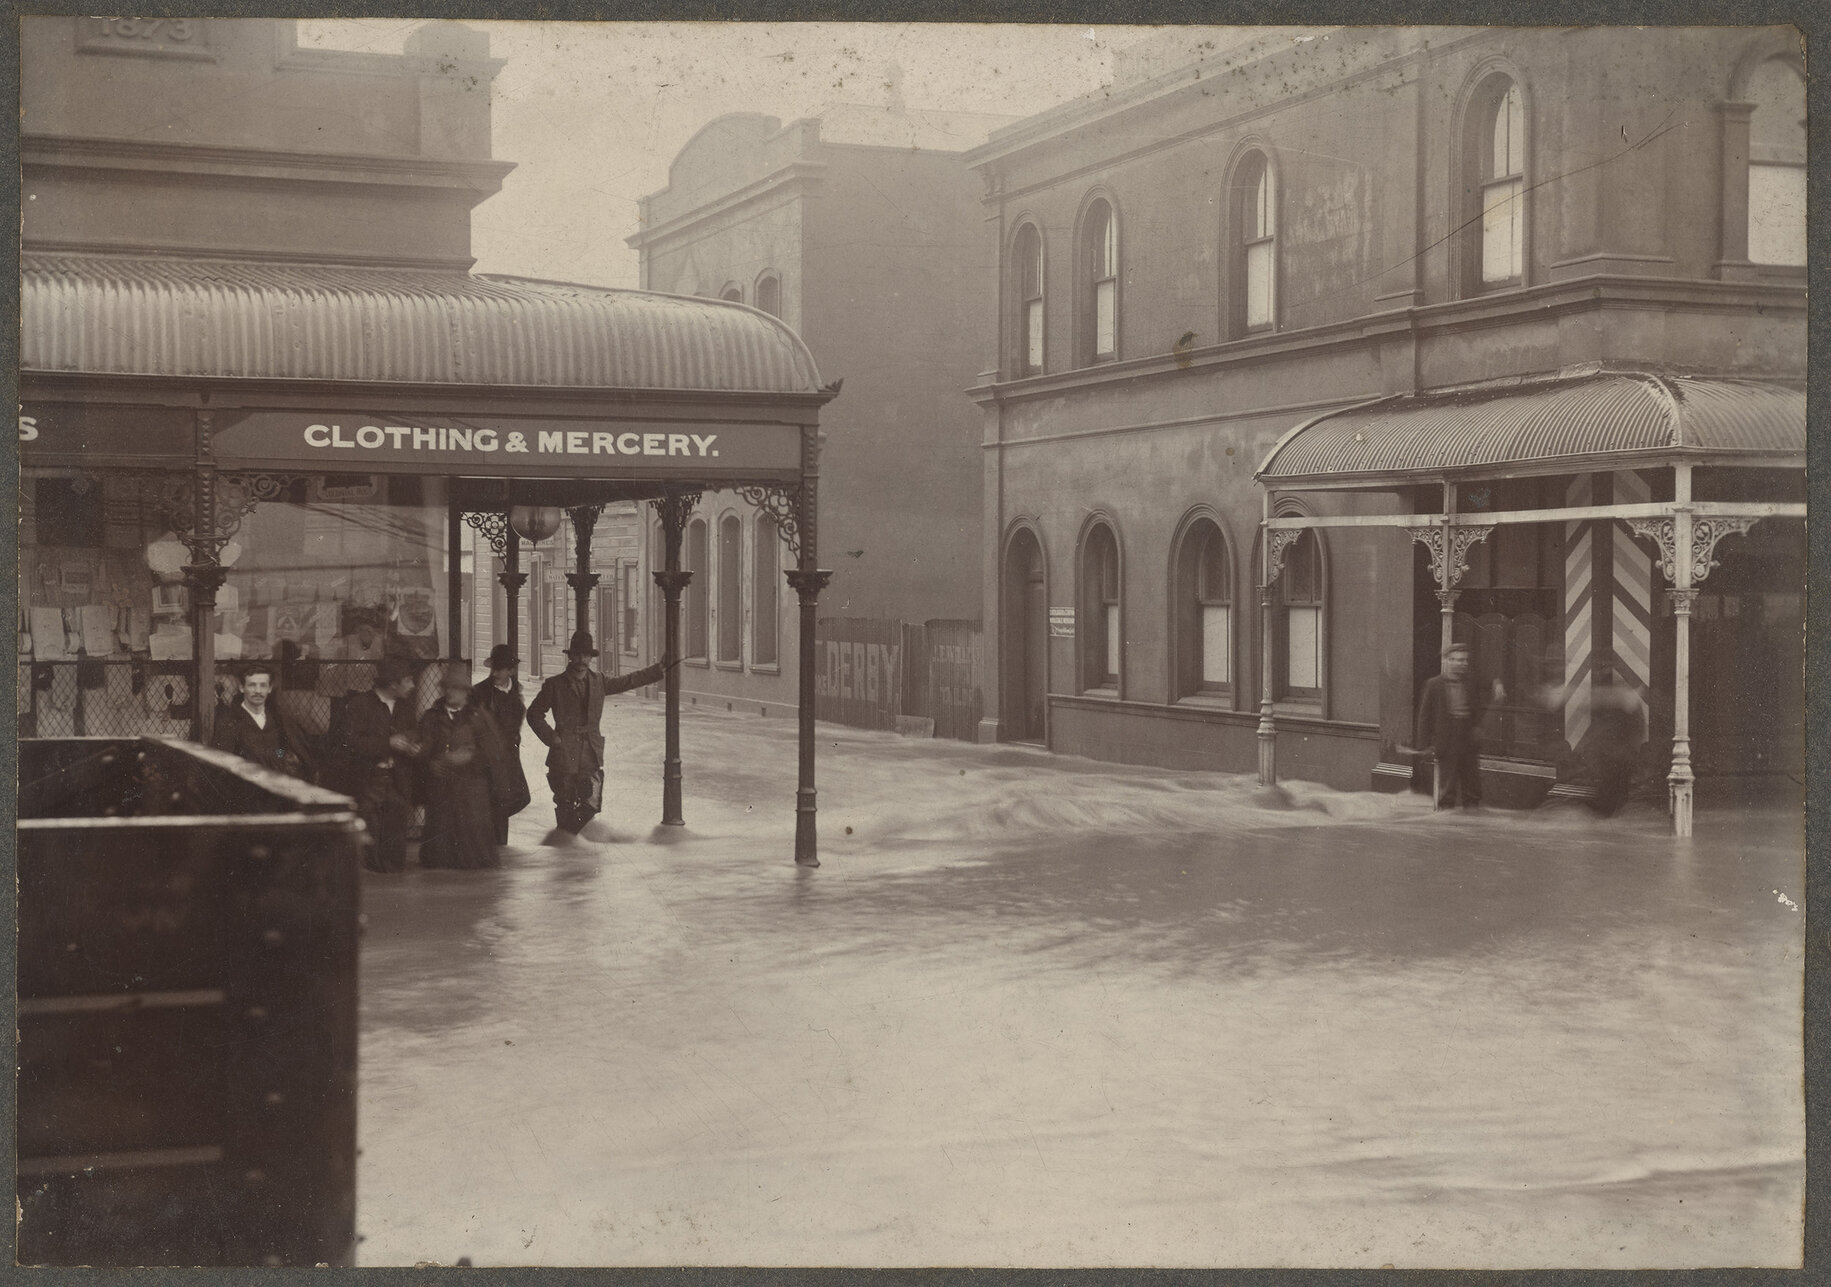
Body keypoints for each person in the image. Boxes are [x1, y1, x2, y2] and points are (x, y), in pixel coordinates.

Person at [527, 631, 671, 834]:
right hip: (563, 754)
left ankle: (569, 842)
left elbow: (628, 681)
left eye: (585, 656)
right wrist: (553, 739)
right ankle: (566, 850)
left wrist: (658, 670)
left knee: (592, 803)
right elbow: (534, 714)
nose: (581, 661)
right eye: (577, 655)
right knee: (565, 804)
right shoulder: (555, 685)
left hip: (590, 754)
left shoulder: (598, 681)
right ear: (570, 656)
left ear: (590, 658)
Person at [415, 663, 509, 869]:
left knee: (473, 856)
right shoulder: (432, 717)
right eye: (447, 687)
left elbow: (494, 754)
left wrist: (470, 757)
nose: (450, 692)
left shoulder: (479, 718)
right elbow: (422, 750)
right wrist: (430, 764)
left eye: (455, 688)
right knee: (440, 858)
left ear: (466, 692)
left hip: (472, 792)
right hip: (441, 794)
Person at [333, 657, 422, 873]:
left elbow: (414, 733)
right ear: (393, 684)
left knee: (395, 828)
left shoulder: (406, 708)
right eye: (408, 680)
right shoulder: (359, 705)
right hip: (368, 779)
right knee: (369, 828)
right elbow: (349, 743)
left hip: (397, 779)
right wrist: (388, 743)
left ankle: (392, 875)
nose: (413, 685)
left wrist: (413, 746)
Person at [1414, 642, 1502, 810]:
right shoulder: (1434, 685)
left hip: (1468, 737)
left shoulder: (1470, 679)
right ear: (1446, 661)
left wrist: (1497, 684)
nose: (1462, 664)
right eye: (1457, 660)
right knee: (1447, 785)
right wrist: (1423, 746)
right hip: (1446, 740)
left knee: (1472, 781)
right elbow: (1424, 717)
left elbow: (1489, 679)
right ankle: (1446, 814)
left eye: (1464, 660)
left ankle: (1472, 812)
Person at [210, 662, 315, 780]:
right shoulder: (231, 721)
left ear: (269, 689)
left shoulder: (277, 719)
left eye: (263, 685)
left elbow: (282, 748)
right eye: (252, 685)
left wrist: (278, 755)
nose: (258, 691)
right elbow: (221, 764)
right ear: (241, 688)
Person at [471, 643, 532, 844]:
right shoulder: (479, 692)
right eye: (493, 668)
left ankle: (495, 839)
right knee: (496, 800)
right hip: (486, 757)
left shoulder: (515, 694)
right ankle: (494, 846)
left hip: (509, 756)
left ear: (511, 670)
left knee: (521, 797)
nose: (495, 673)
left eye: (500, 669)